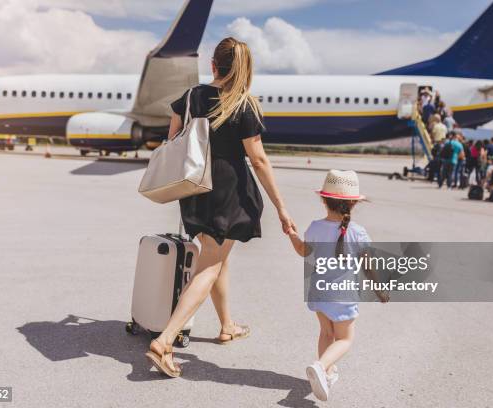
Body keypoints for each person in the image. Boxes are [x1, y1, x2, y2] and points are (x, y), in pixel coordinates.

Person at [145, 37, 295, 378]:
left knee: (216, 259)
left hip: (195, 190)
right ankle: (164, 341)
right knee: (209, 265)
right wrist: (282, 209)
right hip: (228, 194)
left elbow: (173, 138)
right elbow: (258, 160)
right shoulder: (243, 104)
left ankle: (227, 325)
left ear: (213, 65)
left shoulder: (192, 96)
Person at [286, 170, 388, 402]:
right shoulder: (358, 232)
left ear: (324, 200)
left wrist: (292, 234)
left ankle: (327, 374)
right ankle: (321, 367)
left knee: (326, 332)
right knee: (344, 339)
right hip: (342, 295)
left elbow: (304, 251)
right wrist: (379, 289)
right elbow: (368, 266)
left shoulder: (314, 227)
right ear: (353, 203)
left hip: (318, 291)